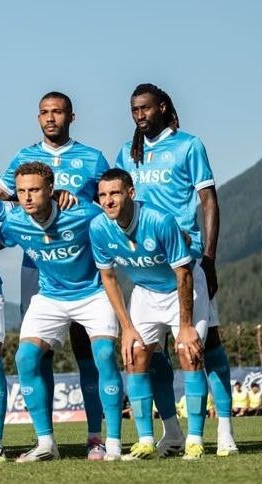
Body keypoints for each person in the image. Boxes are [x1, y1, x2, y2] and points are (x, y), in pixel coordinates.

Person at [116, 83, 238, 456]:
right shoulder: (127, 152)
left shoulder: (188, 145)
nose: (139, 115)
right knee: (150, 355)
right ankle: (171, 433)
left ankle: (226, 431)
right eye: (134, 109)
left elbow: (208, 202)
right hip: (147, 268)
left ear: (163, 107)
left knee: (206, 346)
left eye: (145, 108)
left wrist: (210, 257)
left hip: (187, 260)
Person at [0, 91, 110, 459]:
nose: (50, 118)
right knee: (34, 355)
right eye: (44, 112)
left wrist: (75, 202)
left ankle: (97, 436)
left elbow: (107, 203)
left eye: (57, 112)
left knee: (88, 351)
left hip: (84, 269)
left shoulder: (92, 157)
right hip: (38, 267)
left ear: (70, 117)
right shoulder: (23, 158)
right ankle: (45, 439)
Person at [90, 169, 210, 461]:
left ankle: (194, 440)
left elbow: (183, 274)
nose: (108, 201)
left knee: (189, 352)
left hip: (183, 288)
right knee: (134, 355)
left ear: (131, 193)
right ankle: (146, 440)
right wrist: (126, 327)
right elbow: (108, 277)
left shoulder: (159, 220)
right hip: (145, 292)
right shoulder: (98, 227)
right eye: (103, 195)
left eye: (115, 193)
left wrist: (185, 326)